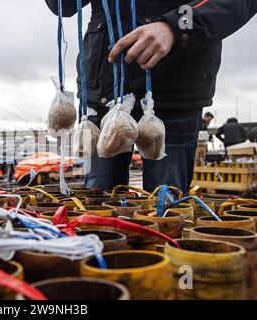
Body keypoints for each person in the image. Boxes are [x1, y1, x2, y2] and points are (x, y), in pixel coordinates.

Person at [44, 0, 256, 192]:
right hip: (105, 88)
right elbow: (64, 5)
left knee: (165, 213)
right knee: (99, 210)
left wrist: (175, 26)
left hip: (174, 91)